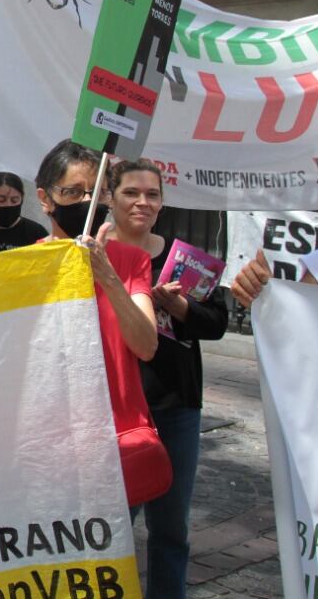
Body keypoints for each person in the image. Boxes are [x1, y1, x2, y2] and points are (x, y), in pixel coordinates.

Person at [106, 158, 227, 599]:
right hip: (116, 409)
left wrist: (179, 309)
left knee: (171, 528)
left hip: (177, 406)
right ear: (109, 197)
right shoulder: (95, 255)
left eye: (152, 194)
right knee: (113, 524)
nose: (142, 202)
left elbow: (216, 323)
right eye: (131, 193)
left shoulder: (183, 257)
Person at [35, 139, 167, 507]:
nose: (84, 202)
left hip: (116, 438)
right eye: (73, 192)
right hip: (48, 445)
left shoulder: (129, 261)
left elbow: (146, 345)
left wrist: (108, 277)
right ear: (46, 199)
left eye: (95, 193)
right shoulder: (23, 266)